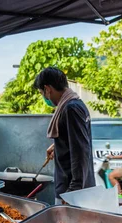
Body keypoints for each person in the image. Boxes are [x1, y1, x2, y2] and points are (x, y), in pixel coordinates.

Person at [35, 67, 95, 203]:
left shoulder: (71, 108)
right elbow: (77, 141)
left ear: (47, 89)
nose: (44, 97)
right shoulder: (76, 104)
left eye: (41, 93)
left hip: (71, 191)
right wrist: (58, 145)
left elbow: (81, 151)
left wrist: (73, 190)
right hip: (73, 189)